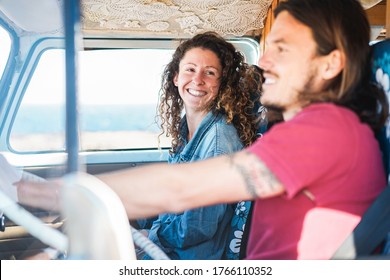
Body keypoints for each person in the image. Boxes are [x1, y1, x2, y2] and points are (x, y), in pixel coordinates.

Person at [15, 0, 389, 260]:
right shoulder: (314, 130)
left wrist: (29, 190)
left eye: (282, 49)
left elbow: (178, 189)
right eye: (267, 48)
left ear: (330, 65)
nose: (265, 62)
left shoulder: (324, 132)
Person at [135, 31, 261, 260]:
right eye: (190, 69)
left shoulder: (217, 141)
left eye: (210, 73)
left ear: (222, 84)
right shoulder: (189, 129)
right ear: (176, 77)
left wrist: (150, 235)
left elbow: (197, 228)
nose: (197, 80)